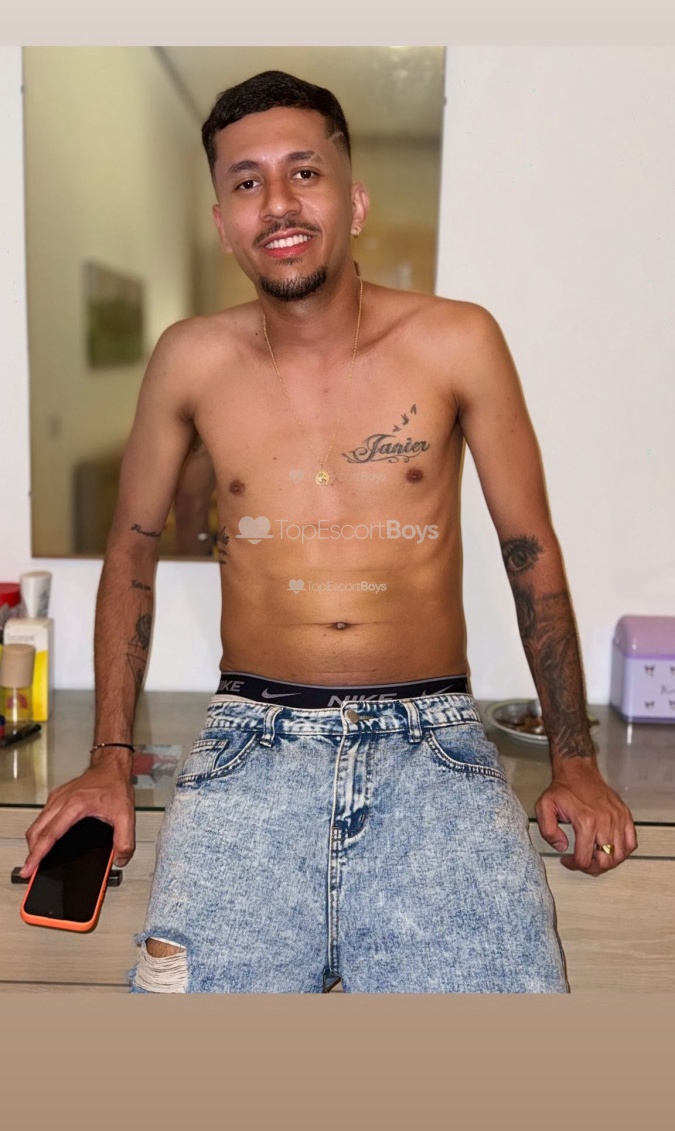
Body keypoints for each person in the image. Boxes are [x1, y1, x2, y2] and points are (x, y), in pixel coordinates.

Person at [21, 70, 637, 993]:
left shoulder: (457, 340)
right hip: (248, 748)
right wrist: (109, 760)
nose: (276, 202)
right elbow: (131, 553)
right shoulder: (191, 358)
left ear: (352, 202)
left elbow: (529, 554)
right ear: (223, 223)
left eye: (303, 173)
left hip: (434, 747)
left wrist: (573, 759)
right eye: (246, 182)